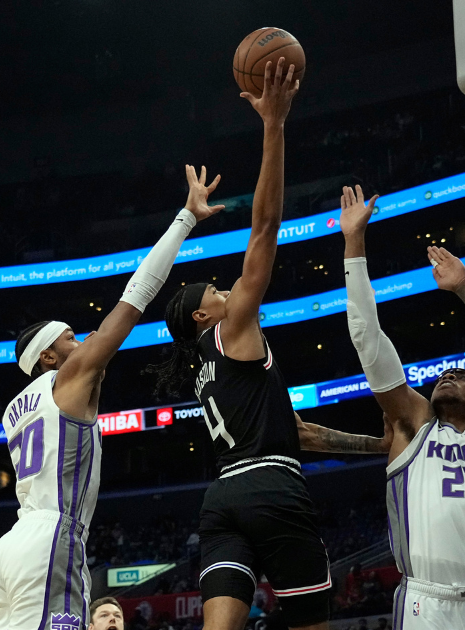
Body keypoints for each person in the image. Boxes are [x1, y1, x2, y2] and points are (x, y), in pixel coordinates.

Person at [147, 59, 388, 630]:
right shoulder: (230, 331)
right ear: (205, 314)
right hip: (273, 488)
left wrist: (379, 447)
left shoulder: (210, 367)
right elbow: (265, 227)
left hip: (223, 498)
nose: (232, 289)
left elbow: (301, 432)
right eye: (220, 289)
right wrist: (273, 125)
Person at [0, 163, 225, 630]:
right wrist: (185, 220)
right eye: (71, 339)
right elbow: (135, 297)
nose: (84, 341)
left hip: (9, 547)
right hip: (52, 538)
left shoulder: (15, 409)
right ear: (50, 358)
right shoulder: (69, 376)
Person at [336, 186, 465, 629]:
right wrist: (353, 243)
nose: (448, 375)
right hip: (426, 602)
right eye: (443, 376)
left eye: (464, 376)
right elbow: (366, 337)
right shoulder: (412, 424)